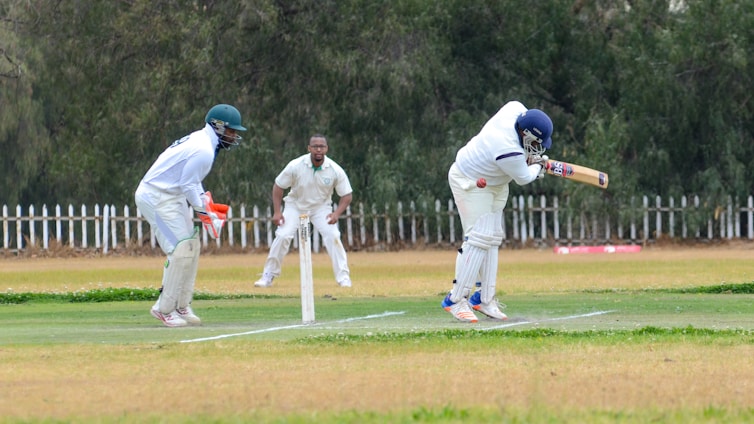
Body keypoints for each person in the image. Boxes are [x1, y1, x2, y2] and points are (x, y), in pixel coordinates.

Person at [135, 104, 247, 327]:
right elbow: (187, 183)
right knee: (179, 250)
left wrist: (207, 206)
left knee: (191, 247)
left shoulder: (204, 142)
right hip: (155, 198)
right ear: (218, 126)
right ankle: (163, 308)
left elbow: (191, 182)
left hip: (171, 196)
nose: (234, 136)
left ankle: (181, 305)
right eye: (232, 131)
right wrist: (205, 214)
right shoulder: (203, 149)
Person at [442, 101, 553, 322]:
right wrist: (539, 165)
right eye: (536, 142)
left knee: (492, 238)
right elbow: (524, 177)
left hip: (497, 182)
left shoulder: (515, 109)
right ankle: (455, 300)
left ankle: (484, 299)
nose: (537, 146)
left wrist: (533, 160)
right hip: (471, 181)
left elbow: (521, 164)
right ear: (526, 134)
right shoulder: (507, 148)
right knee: (477, 238)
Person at [254, 134, 353, 288]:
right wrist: (277, 212)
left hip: (321, 208)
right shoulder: (296, 165)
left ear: (326, 148)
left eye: (322, 146)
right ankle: (268, 275)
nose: (318, 149)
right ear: (309, 148)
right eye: (315, 146)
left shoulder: (334, 170)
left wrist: (336, 213)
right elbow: (278, 186)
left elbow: (346, 195)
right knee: (283, 235)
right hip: (295, 205)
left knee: (333, 236)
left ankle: (343, 278)